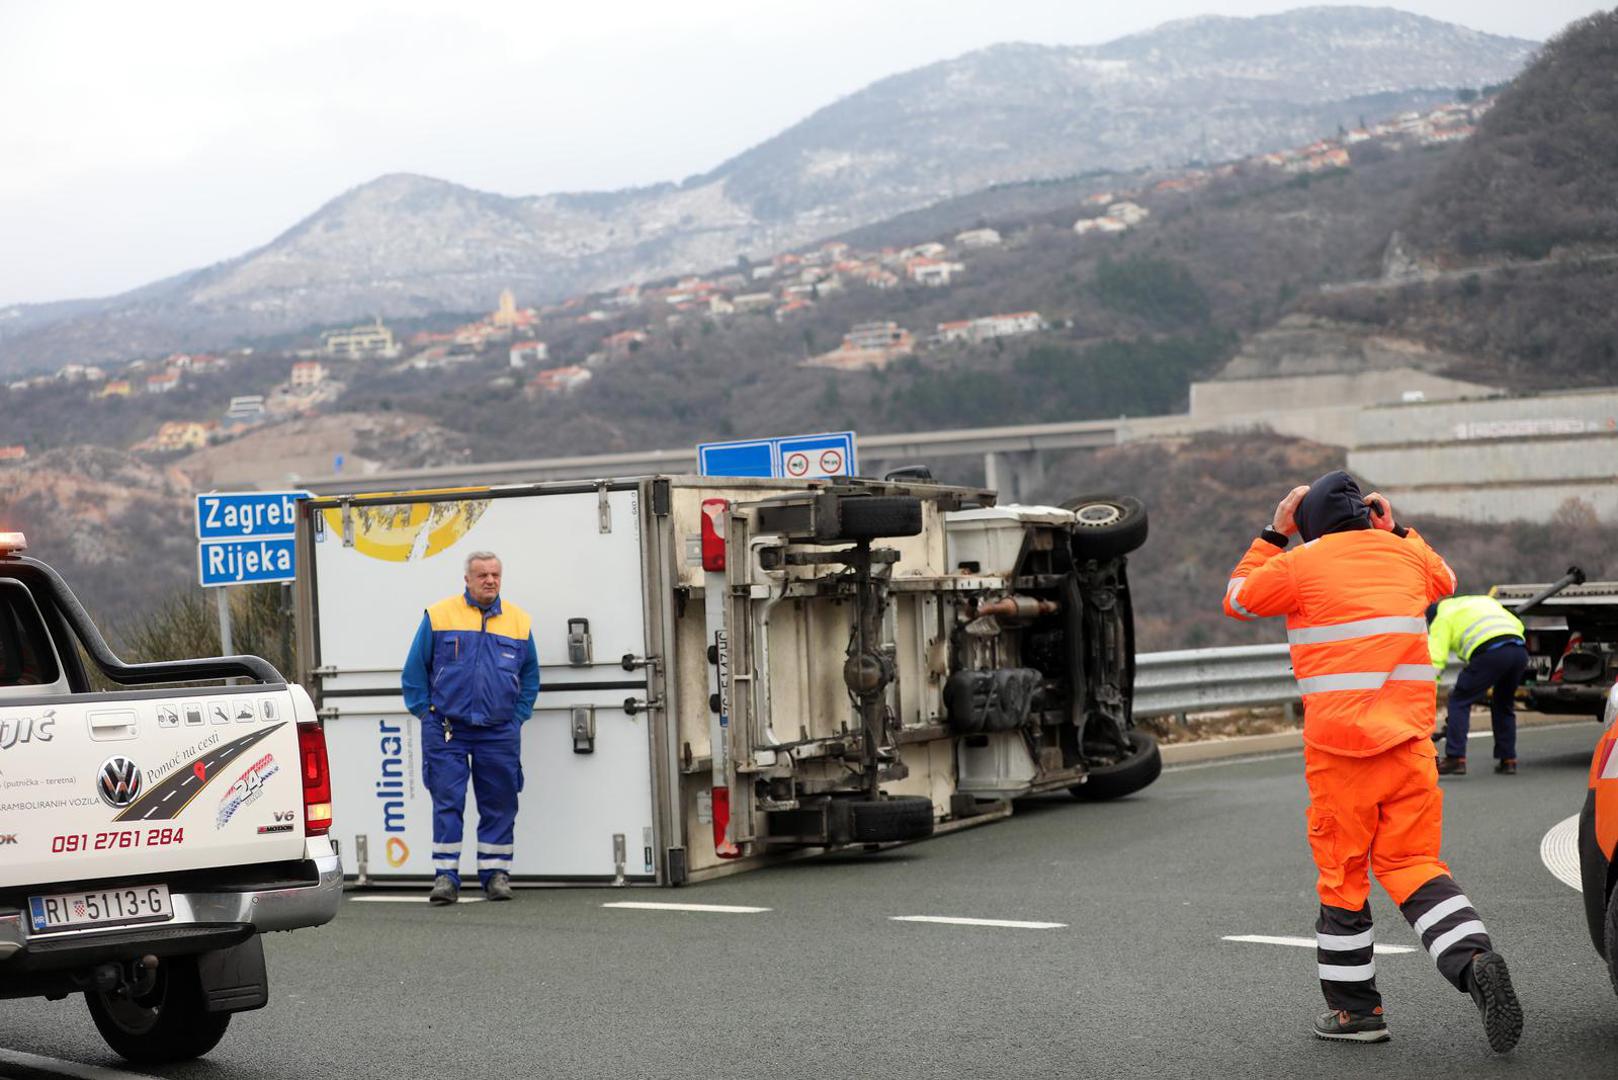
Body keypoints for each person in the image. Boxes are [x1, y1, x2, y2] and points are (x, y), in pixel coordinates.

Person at [1221, 470, 1522, 1053]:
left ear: (1307, 526)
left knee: (1343, 880)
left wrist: (1272, 532)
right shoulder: (1404, 557)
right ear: (1367, 512)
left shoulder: (1298, 565)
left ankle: (1355, 1014)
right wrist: (1398, 527)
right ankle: (1473, 962)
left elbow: (1237, 597)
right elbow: (1446, 578)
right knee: (1414, 865)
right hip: (1409, 745)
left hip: (1342, 757)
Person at [401, 550, 540, 905]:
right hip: (447, 729)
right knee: (448, 802)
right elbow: (415, 671)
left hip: (498, 731)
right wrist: (425, 713)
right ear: (467, 579)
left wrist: (518, 715)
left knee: (500, 802)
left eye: (495, 574)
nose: (490, 580)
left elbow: (530, 675)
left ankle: (495, 875)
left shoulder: (519, 622)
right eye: (482, 575)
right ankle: (445, 877)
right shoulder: (439, 615)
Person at [1426, 596, 1529, 776]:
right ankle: (1508, 760)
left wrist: (1427, 695)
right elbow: (1517, 624)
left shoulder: (1441, 617)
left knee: (1459, 699)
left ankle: (1455, 758)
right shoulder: (1483, 601)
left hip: (1490, 653)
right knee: (1503, 703)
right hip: (1518, 651)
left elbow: (1436, 660)